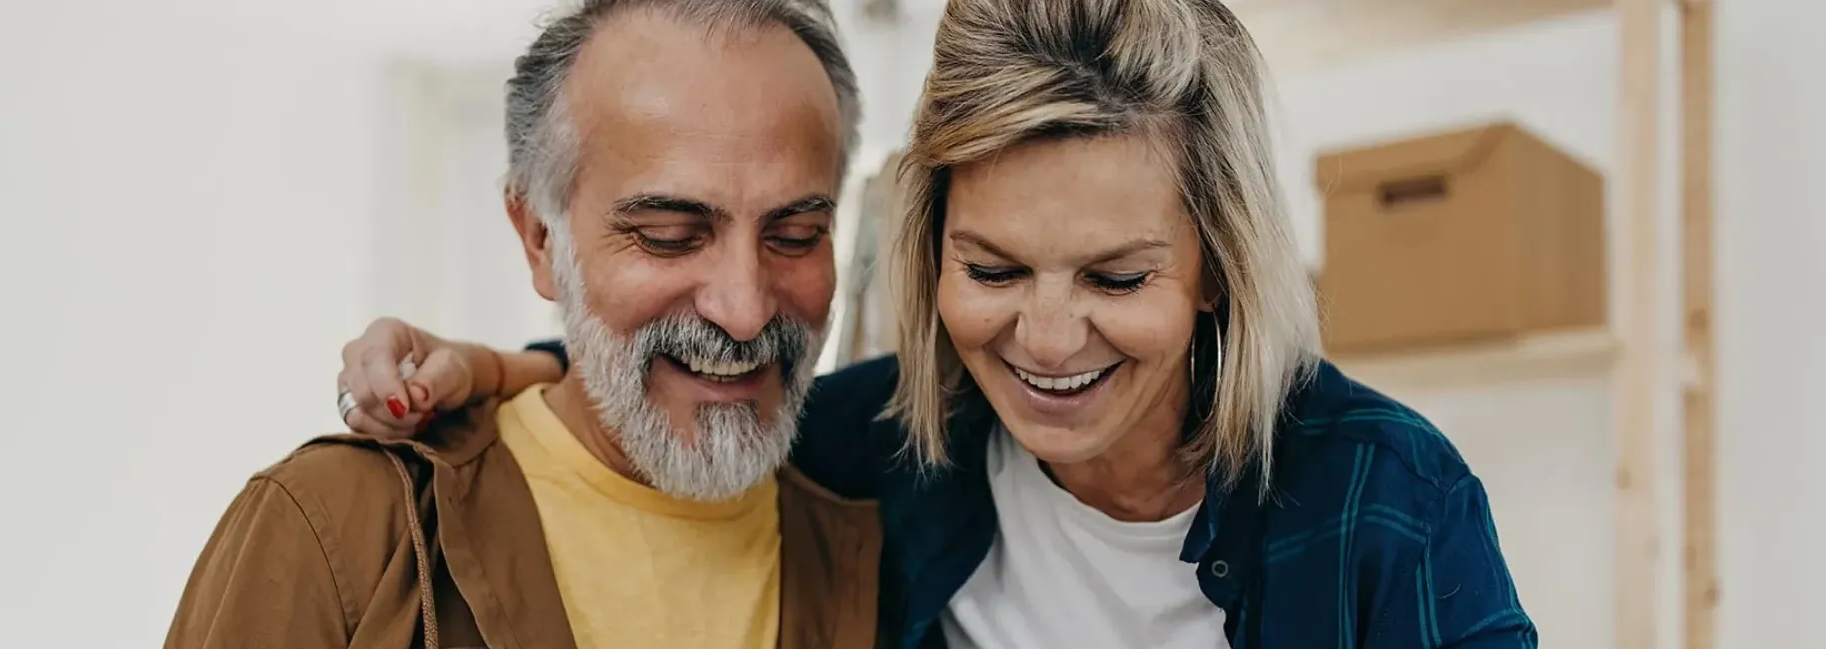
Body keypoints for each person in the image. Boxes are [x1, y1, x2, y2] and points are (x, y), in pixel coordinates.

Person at [339, 0, 1537, 647]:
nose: (1050, 340)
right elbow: (707, 362)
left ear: (1217, 269)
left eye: (1117, 279)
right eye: (995, 268)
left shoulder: (1389, 500)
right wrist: (510, 365)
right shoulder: (869, 450)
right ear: (927, 251)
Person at [166, 2, 886, 648]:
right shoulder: (335, 531)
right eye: (668, 234)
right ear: (539, 237)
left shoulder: (893, 536)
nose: (745, 308)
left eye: (794, 235)